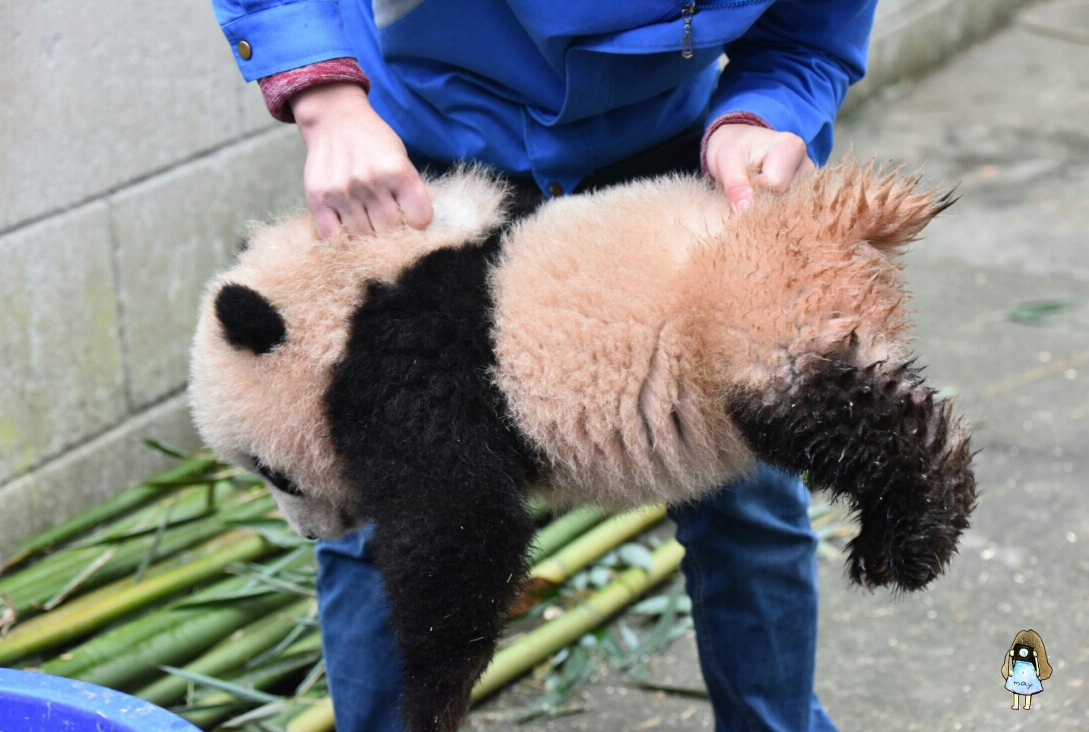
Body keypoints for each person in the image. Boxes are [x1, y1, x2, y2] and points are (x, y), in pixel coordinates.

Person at [209, 2, 878, 729]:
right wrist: (327, 100)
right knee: (386, 513)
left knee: (750, 492)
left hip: (666, 150)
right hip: (423, 161)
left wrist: (760, 114)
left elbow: (809, 38)